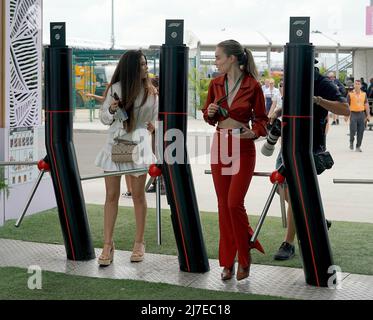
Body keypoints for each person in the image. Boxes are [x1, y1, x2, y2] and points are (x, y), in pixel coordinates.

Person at [202, 40, 268, 281]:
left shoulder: (253, 86)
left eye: (218, 57)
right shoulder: (215, 83)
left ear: (232, 58)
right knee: (223, 207)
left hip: (243, 147)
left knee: (233, 204)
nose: (215, 61)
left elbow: (262, 119)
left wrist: (255, 132)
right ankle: (228, 262)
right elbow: (208, 115)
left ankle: (245, 257)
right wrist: (209, 113)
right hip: (220, 144)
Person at [270, 66, 350, 261]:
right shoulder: (292, 80)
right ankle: (315, 216)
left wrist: (318, 100)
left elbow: (345, 109)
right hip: (288, 143)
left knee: (294, 188)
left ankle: (288, 243)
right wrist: (280, 110)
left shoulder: (323, 84)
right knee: (281, 186)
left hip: (310, 147)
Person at [94, 50, 158, 266]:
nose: (145, 67)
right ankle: (107, 244)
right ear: (131, 67)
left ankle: (139, 243)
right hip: (117, 144)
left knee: (138, 196)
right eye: (141, 64)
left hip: (138, 144)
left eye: (145, 63)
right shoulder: (116, 89)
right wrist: (112, 110)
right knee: (111, 196)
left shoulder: (151, 92)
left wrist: (152, 127)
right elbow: (104, 118)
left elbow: (154, 120)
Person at [84, 92, 133, 198]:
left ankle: (130, 190)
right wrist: (111, 109)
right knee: (112, 195)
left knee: (129, 170)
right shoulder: (114, 88)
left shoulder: (137, 88)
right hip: (118, 137)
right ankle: (130, 190)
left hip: (130, 137)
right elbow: (105, 116)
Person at [348, 79, 371, 152]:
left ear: (361, 85)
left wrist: (368, 114)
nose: (357, 85)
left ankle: (358, 146)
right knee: (353, 130)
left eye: (358, 84)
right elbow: (347, 105)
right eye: (356, 84)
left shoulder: (364, 94)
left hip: (361, 114)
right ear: (354, 85)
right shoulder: (350, 94)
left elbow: (366, 104)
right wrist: (346, 115)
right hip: (353, 114)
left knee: (361, 131)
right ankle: (351, 141)